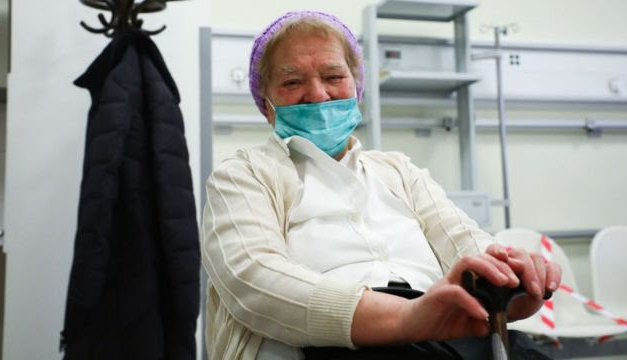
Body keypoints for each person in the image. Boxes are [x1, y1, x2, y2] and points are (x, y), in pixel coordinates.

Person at [201, 11, 561, 360]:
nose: (318, 94)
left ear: (357, 90)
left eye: (332, 76)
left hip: (443, 336)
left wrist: (509, 278)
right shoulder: (243, 175)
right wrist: (404, 318)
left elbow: (465, 242)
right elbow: (253, 282)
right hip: (328, 346)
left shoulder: (400, 171)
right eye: (292, 82)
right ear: (267, 105)